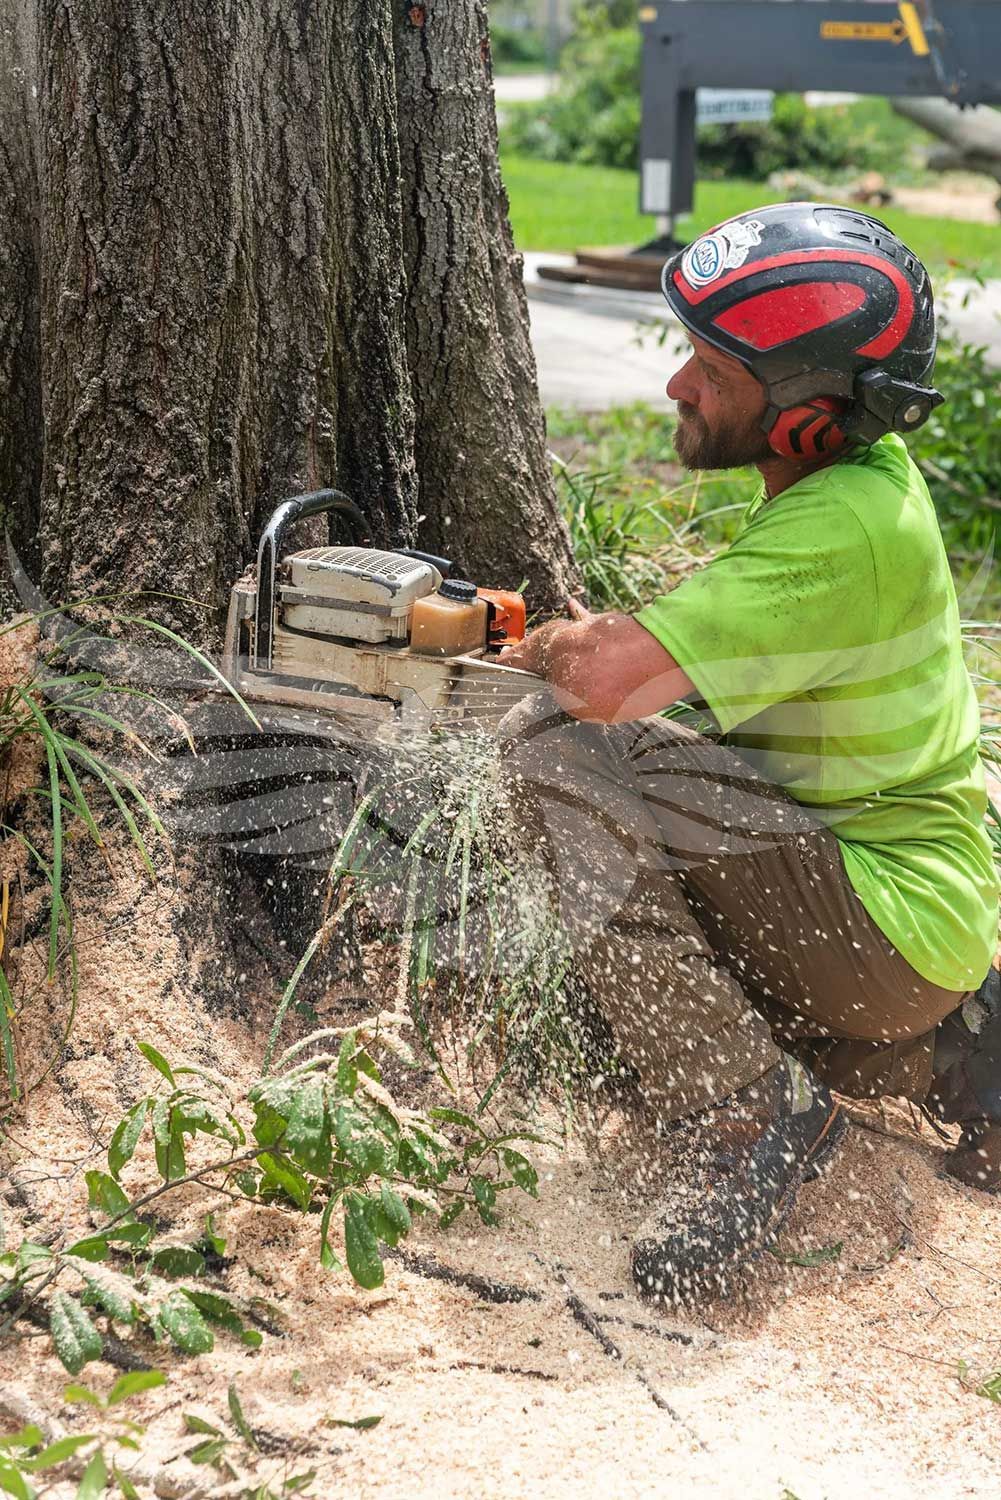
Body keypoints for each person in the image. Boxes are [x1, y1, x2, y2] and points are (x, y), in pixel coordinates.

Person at [496, 202, 1001, 1301]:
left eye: (712, 372)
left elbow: (597, 686)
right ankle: (939, 1052)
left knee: (557, 753)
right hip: (892, 913)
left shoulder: (837, 534)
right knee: (613, 940)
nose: (678, 387)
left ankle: (741, 1119)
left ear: (810, 419)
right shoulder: (849, 493)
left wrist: (520, 642)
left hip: (879, 921)